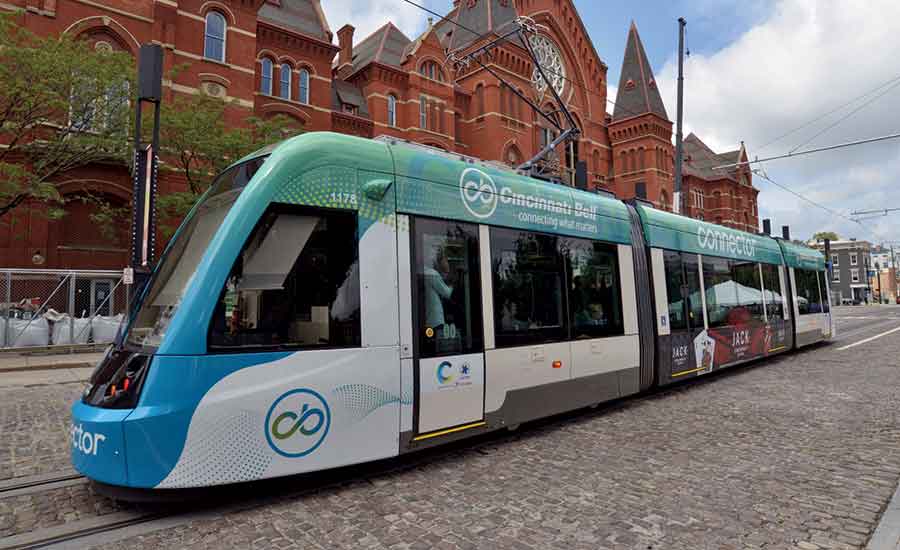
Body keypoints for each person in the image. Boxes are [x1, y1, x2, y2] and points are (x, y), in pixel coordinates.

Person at [423, 246, 454, 336]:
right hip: (436, 321)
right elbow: (447, 293)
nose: (446, 263)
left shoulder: (426, 272)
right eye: (445, 260)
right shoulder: (432, 274)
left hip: (430, 320)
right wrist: (454, 283)